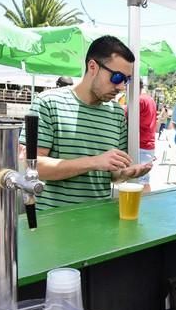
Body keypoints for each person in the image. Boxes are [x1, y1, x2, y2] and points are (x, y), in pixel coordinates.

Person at [20, 35, 152, 210]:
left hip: (99, 222)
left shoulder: (116, 113)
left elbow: (111, 173)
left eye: (126, 80)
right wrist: (94, 161)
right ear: (92, 67)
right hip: (53, 227)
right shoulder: (48, 103)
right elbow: (29, 167)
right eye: (117, 77)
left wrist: (124, 173)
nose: (121, 87)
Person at [138, 80, 157, 193]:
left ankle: (145, 208)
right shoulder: (149, 99)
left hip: (141, 144)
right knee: (144, 179)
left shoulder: (139, 100)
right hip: (148, 144)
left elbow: (126, 117)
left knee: (141, 181)